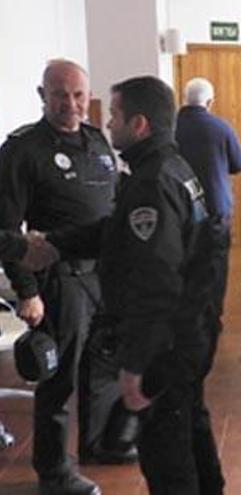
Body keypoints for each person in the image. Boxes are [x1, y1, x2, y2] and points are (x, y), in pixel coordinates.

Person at [47, 76, 224, 494]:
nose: (108, 125)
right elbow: (120, 232)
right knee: (191, 432)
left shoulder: (151, 182)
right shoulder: (174, 168)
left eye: (114, 116)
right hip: (192, 331)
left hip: (168, 342)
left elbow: (154, 282)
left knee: (167, 458)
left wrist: (137, 364)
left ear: (139, 124)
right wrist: (57, 244)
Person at [0, 59, 117, 495]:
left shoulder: (97, 141)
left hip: (101, 276)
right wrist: (27, 292)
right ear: (42, 95)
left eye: (78, 95)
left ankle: (98, 443)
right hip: (57, 282)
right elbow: (9, 230)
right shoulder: (22, 150)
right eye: (59, 95)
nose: (70, 104)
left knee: (100, 367)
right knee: (58, 378)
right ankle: (53, 471)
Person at [175, 75, 241, 377]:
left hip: (178, 211)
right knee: (214, 270)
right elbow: (240, 163)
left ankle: (182, 322)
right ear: (210, 102)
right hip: (215, 211)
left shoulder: (171, 127)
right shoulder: (220, 128)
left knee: (182, 267)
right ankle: (210, 321)